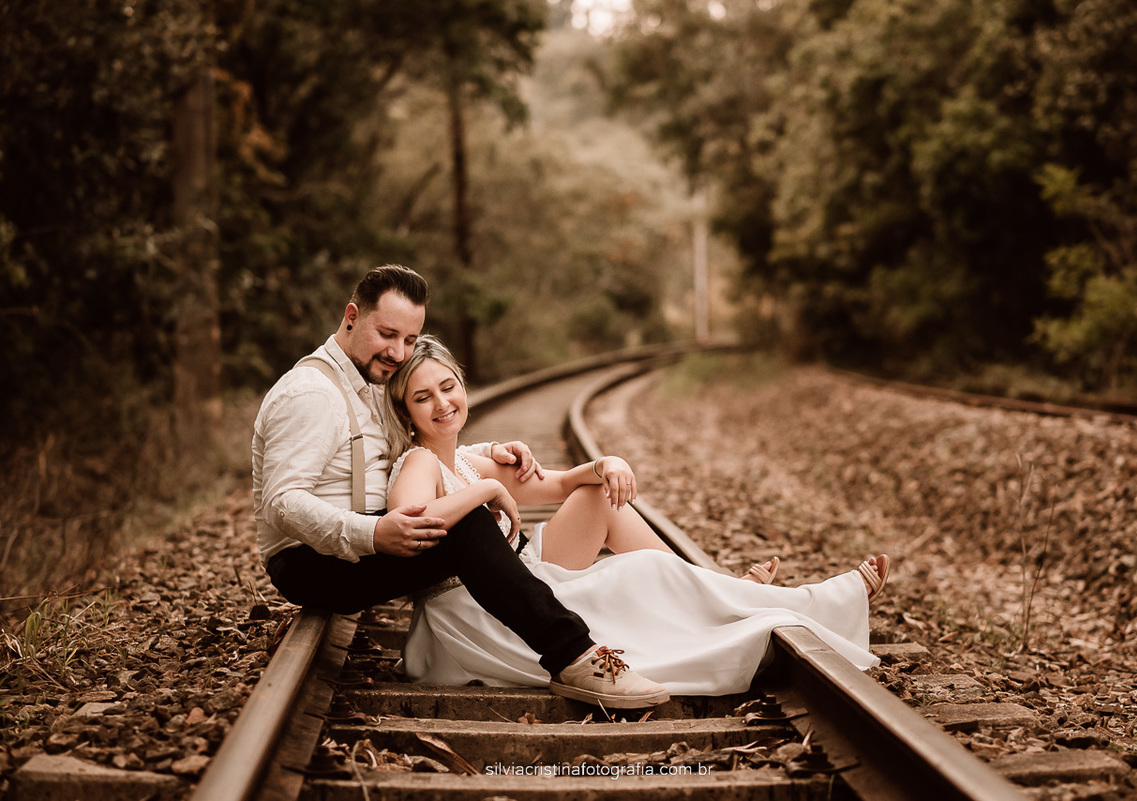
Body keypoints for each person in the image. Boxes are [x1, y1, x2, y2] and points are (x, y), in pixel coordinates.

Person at [252, 264, 669, 708]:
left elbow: (414, 438)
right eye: (388, 334)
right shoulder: (311, 394)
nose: (397, 352)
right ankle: (573, 656)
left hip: (361, 536)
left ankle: (680, 597)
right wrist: (372, 533)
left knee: (461, 513)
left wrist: (488, 455)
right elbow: (282, 501)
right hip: (312, 560)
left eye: (410, 340)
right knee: (466, 521)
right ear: (352, 316)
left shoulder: (369, 379)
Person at [384, 336, 890, 696]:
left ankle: (714, 589)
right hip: (475, 611)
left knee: (600, 496)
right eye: (423, 397)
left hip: (520, 575)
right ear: (407, 413)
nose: (443, 403)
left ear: (463, 386)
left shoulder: (472, 458)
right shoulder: (419, 461)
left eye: (448, 387)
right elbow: (407, 519)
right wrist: (490, 489)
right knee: (641, 574)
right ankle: (794, 600)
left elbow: (559, 485)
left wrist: (607, 463)